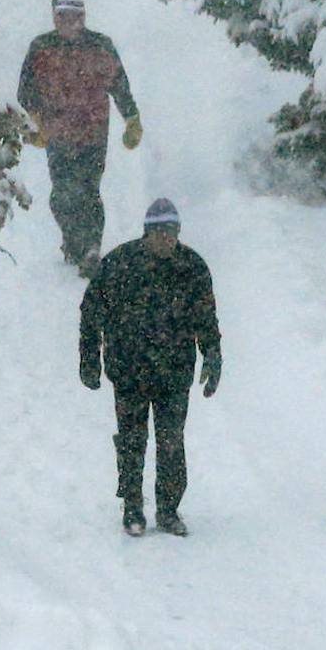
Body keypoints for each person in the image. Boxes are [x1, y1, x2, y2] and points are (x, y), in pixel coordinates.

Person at [79, 199, 220, 537]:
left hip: (175, 373)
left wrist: (213, 355)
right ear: (146, 234)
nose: (164, 240)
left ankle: (168, 510)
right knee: (131, 441)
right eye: (158, 233)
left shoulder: (192, 268)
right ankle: (132, 506)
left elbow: (206, 317)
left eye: (170, 233)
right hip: (129, 372)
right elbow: (91, 312)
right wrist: (89, 358)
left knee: (171, 441)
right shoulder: (119, 264)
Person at [17, 0, 141, 273]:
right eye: (62, 17)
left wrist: (132, 118)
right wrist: (35, 124)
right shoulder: (41, 47)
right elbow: (25, 92)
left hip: (93, 134)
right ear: (54, 18)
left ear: (83, 19)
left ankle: (91, 249)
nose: (68, 23)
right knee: (62, 194)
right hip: (57, 134)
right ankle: (74, 242)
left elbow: (119, 86)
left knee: (88, 191)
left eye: (74, 17)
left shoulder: (100, 46)